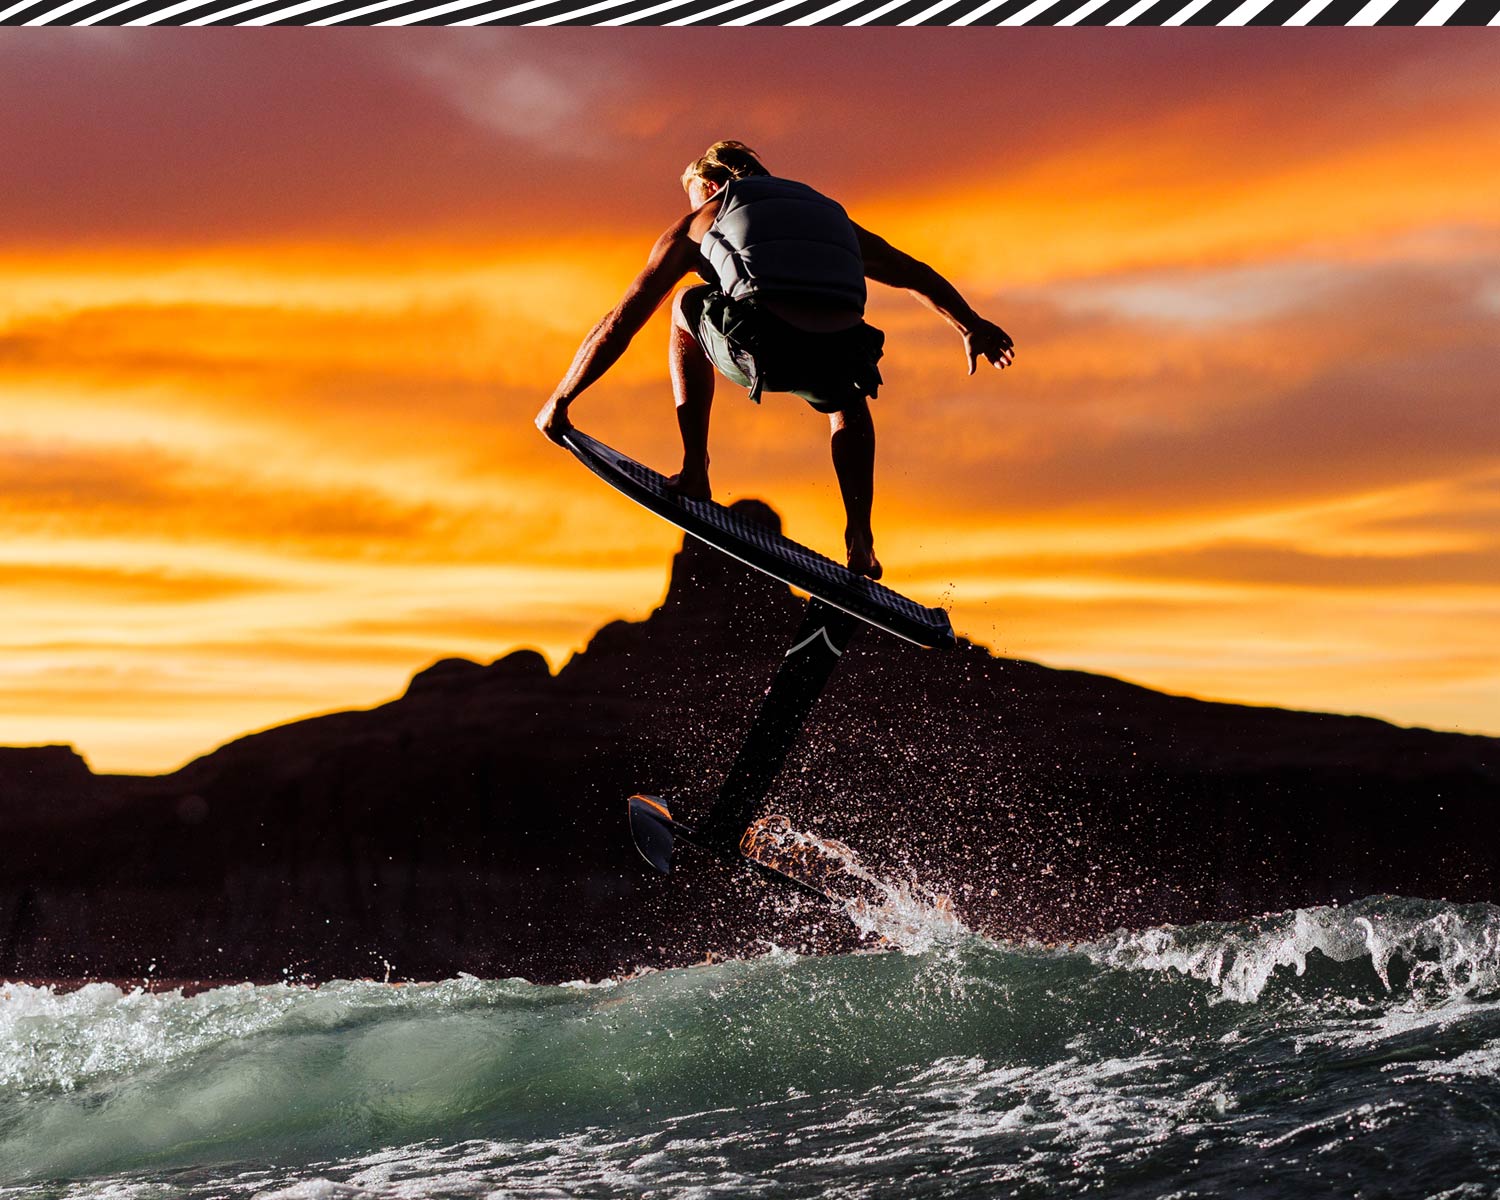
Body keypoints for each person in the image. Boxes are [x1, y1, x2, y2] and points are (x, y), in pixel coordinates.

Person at [535, 140, 1014, 580]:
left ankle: (695, 469)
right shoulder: (828, 211)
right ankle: (860, 538)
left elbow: (619, 323)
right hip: (844, 352)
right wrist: (970, 324)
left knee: (684, 304)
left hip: (767, 346)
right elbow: (912, 272)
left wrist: (561, 399)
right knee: (848, 397)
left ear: (712, 185)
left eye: (694, 198)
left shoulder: (703, 218)